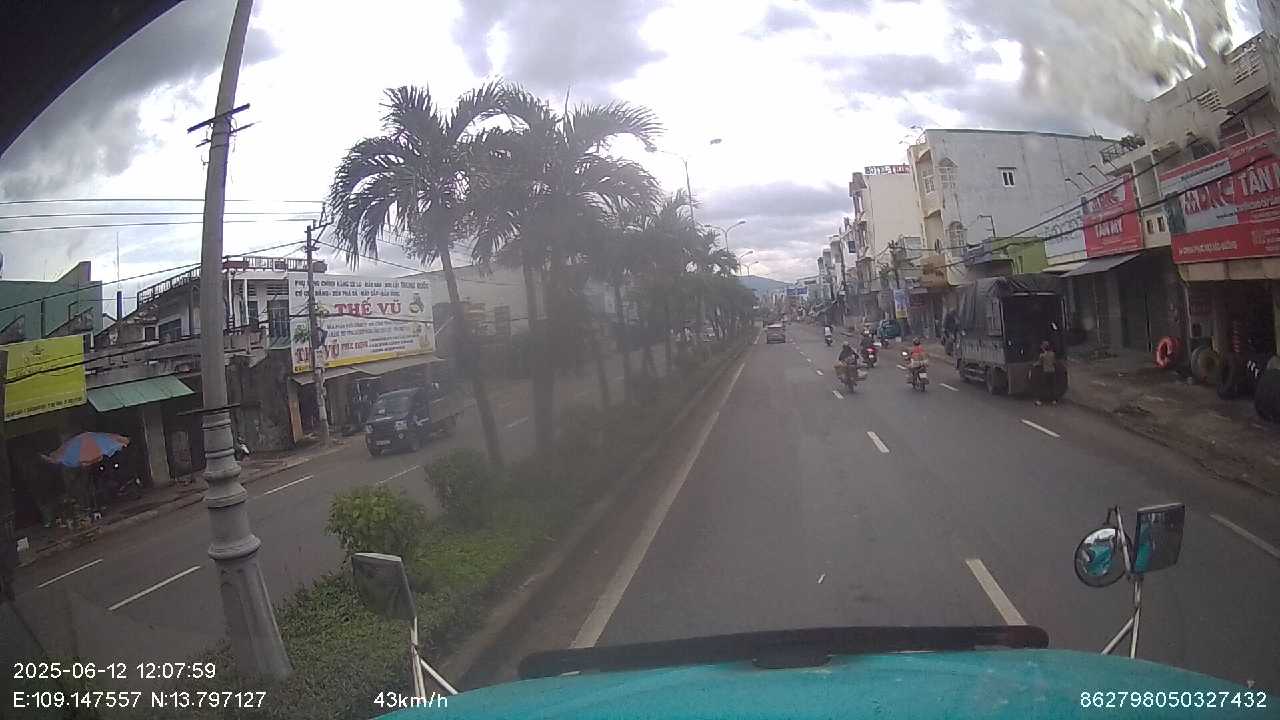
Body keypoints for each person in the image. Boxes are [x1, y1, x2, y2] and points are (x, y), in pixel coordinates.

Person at [1032, 340, 1058, 406]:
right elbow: (1054, 362)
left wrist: (1034, 364)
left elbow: (1039, 363)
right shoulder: (1052, 354)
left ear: (1044, 347)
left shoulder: (1042, 355)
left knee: (1042, 386)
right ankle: (1054, 400)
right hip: (1052, 371)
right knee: (1052, 386)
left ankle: (1040, 401)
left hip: (1045, 372)